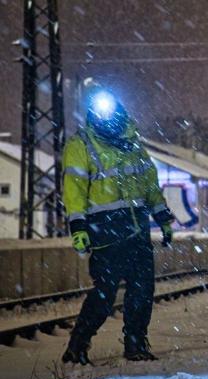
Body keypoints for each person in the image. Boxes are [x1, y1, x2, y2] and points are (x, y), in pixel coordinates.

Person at [61, 87, 175, 365]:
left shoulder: (134, 146)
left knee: (142, 290)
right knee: (104, 294)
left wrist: (164, 219)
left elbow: (150, 187)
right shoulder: (81, 146)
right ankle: (77, 345)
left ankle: (135, 344)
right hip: (105, 233)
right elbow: (74, 190)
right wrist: (78, 227)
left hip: (137, 230)